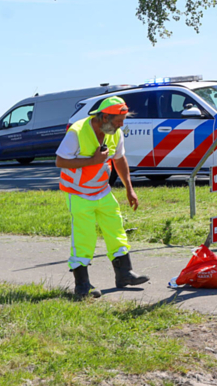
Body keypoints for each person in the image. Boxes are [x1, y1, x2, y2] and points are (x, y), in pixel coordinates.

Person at [56, 96, 149, 298]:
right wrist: (93, 160)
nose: (121, 125)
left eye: (123, 121)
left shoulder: (114, 132)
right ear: (105, 117)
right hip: (78, 193)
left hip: (102, 190)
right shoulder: (77, 131)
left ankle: (124, 274)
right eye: (118, 121)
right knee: (84, 236)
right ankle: (82, 286)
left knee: (116, 228)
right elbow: (60, 161)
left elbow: (119, 159)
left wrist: (129, 189)